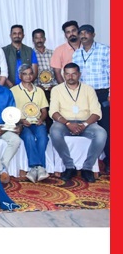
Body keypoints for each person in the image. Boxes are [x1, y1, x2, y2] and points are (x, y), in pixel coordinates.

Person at [49, 63, 107, 183]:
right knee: (54, 131)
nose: (70, 77)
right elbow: (53, 112)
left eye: (73, 74)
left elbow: (96, 112)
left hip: (86, 123)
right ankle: (69, 166)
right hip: (64, 123)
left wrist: (84, 124)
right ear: (63, 75)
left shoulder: (88, 89)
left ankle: (87, 168)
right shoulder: (57, 90)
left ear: (79, 74)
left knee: (101, 133)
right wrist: (68, 124)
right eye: (67, 74)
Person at [72, 24, 110, 174]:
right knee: (87, 128)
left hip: (102, 94)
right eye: (81, 33)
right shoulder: (77, 54)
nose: (83, 35)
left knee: (107, 128)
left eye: (86, 33)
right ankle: (89, 163)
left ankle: (109, 161)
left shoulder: (104, 50)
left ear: (93, 35)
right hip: (84, 96)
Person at [10, 64, 49, 183]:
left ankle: (35, 169)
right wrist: (21, 121)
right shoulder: (13, 91)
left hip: (37, 122)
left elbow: (44, 111)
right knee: (28, 137)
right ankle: (38, 166)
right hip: (22, 123)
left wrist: (41, 119)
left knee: (43, 137)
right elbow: (11, 112)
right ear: (19, 76)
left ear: (34, 75)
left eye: (30, 73)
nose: (28, 76)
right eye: (25, 74)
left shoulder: (39, 91)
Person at [51, 20, 80, 85]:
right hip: (68, 85)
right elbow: (57, 73)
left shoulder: (86, 47)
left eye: (74, 31)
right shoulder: (59, 50)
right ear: (65, 35)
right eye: (68, 32)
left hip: (87, 86)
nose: (71, 34)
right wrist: (65, 88)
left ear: (78, 31)